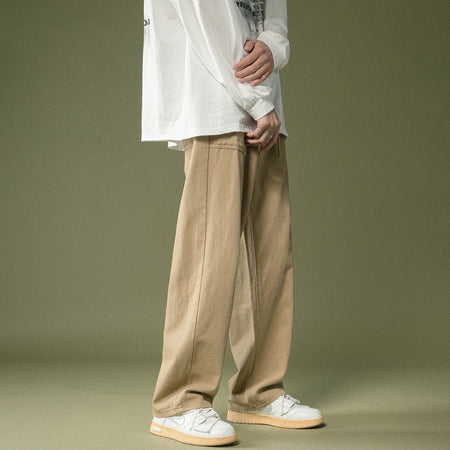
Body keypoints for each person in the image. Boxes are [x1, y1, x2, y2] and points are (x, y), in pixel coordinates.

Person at [141, 0, 324, 446]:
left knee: (268, 257)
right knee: (209, 257)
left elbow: (274, 21)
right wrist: (259, 101)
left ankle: (259, 392)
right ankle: (179, 401)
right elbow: (209, 23)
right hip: (216, 107)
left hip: (263, 109)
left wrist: (273, 48)